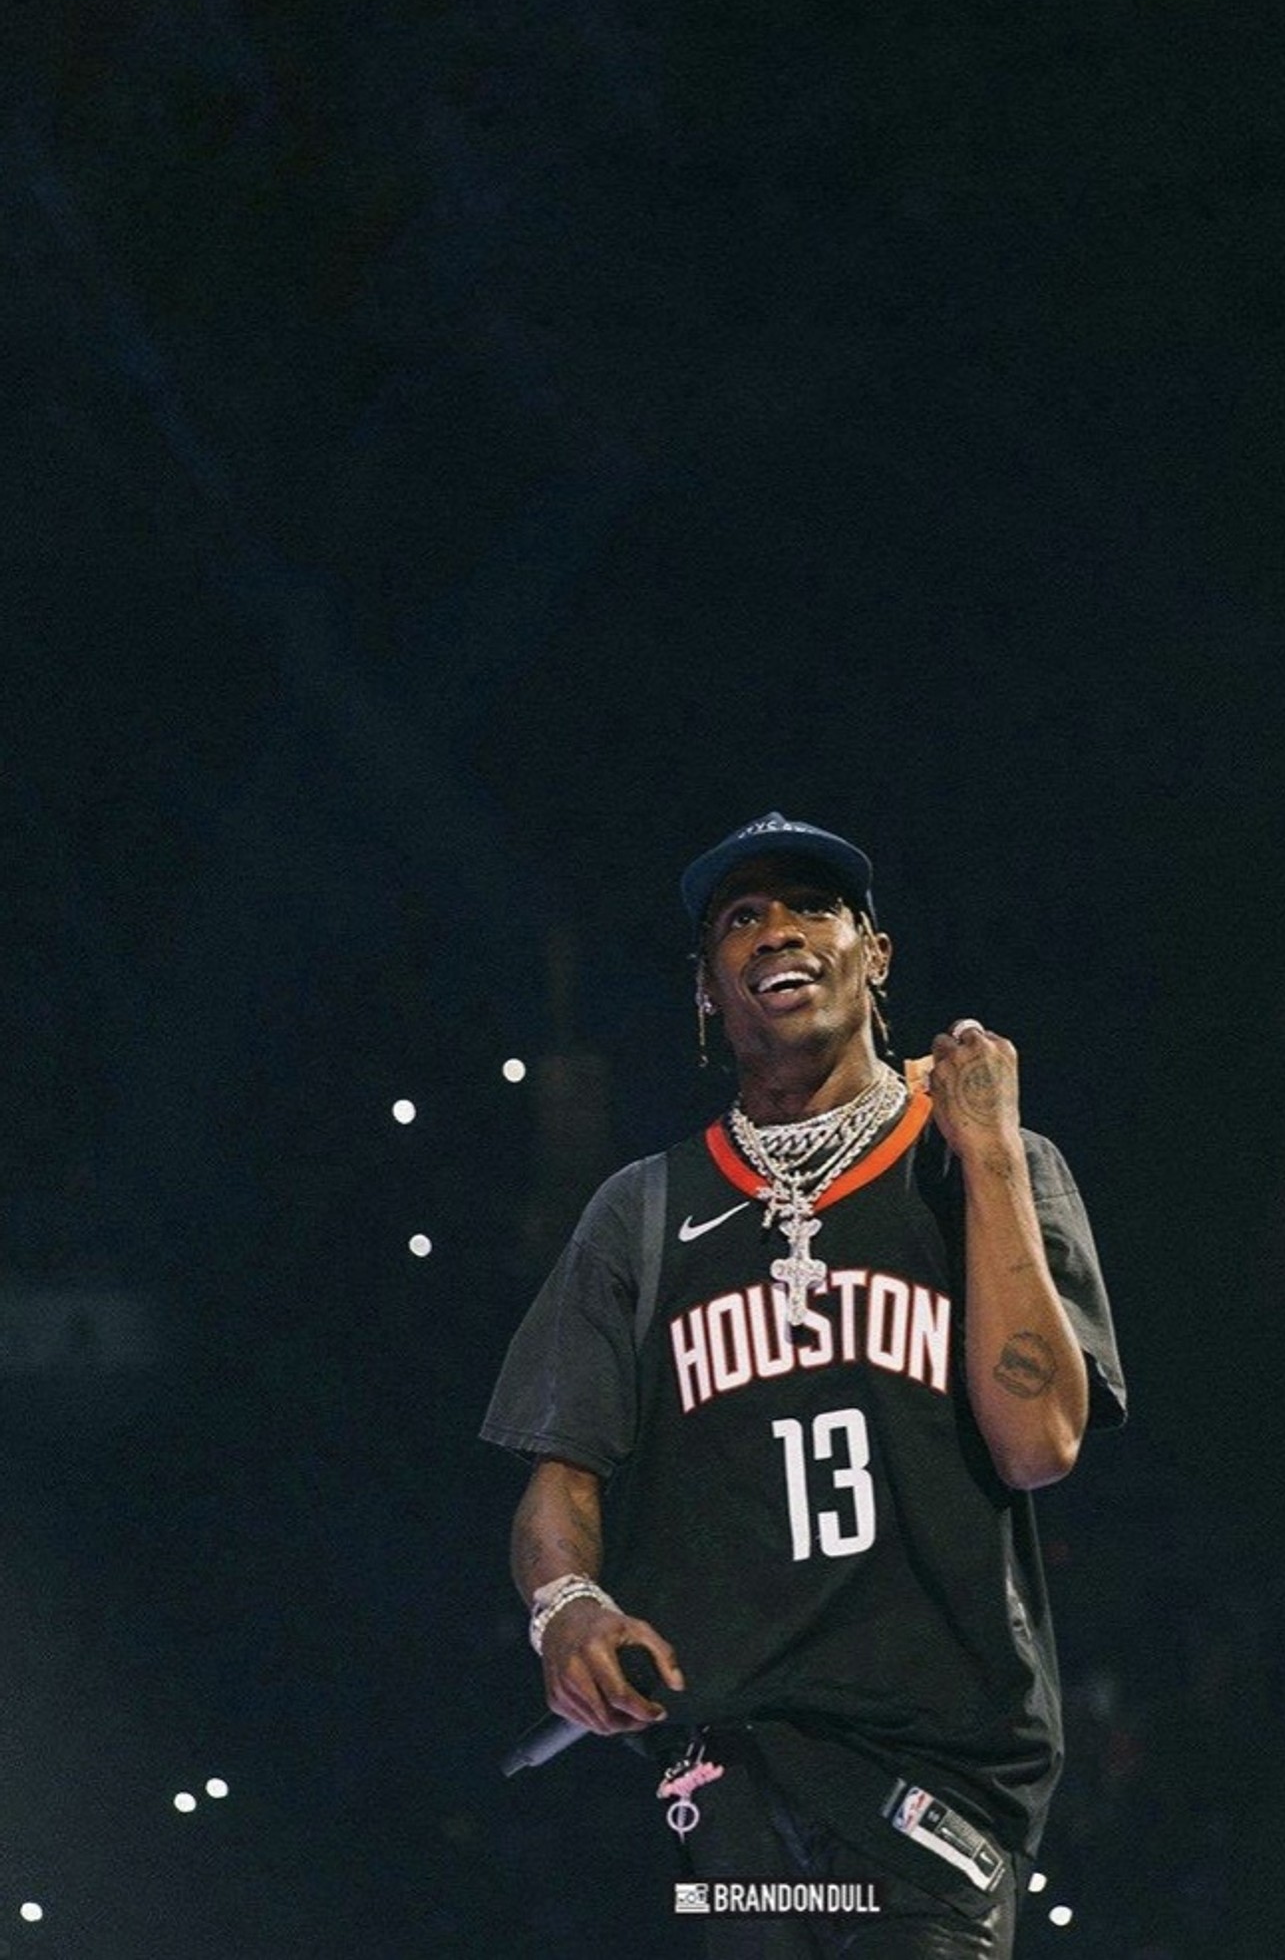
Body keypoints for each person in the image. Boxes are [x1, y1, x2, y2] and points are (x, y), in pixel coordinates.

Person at [481, 811, 1127, 1957]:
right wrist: (564, 1605)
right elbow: (560, 1474)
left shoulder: (987, 1164)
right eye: (740, 917)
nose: (775, 931)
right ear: (704, 988)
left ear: (874, 955)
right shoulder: (640, 1211)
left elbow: (1039, 1443)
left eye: (811, 905)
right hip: (726, 1771)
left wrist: (982, 1150)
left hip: (931, 1769)